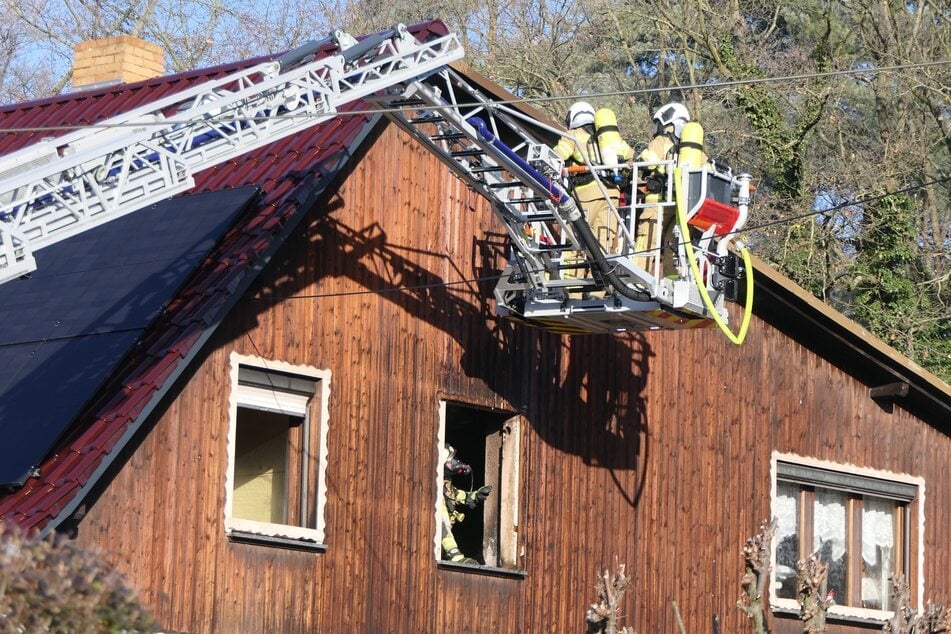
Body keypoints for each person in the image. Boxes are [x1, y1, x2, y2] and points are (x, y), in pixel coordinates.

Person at [553, 102, 634, 278]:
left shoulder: (573, 135)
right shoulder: (610, 139)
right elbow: (632, 159)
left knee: (578, 242)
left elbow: (556, 157)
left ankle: (571, 284)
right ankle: (599, 288)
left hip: (585, 196)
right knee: (603, 243)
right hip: (611, 195)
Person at [634, 102, 699, 274]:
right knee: (675, 246)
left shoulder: (660, 141)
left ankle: (636, 277)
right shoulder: (693, 149)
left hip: (657, 202)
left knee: (647, 242)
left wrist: (637, 157)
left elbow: (648, 163)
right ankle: (673, 280)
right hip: (683, 205)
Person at [439, 445, 491, 563]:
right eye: (451, 460)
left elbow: (454, 494)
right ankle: (454, 555)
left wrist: (474, 496)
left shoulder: (444, 482)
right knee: (441, 519)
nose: (455, 462)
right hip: (435, 534)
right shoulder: (433, 484)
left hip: (440, 541)